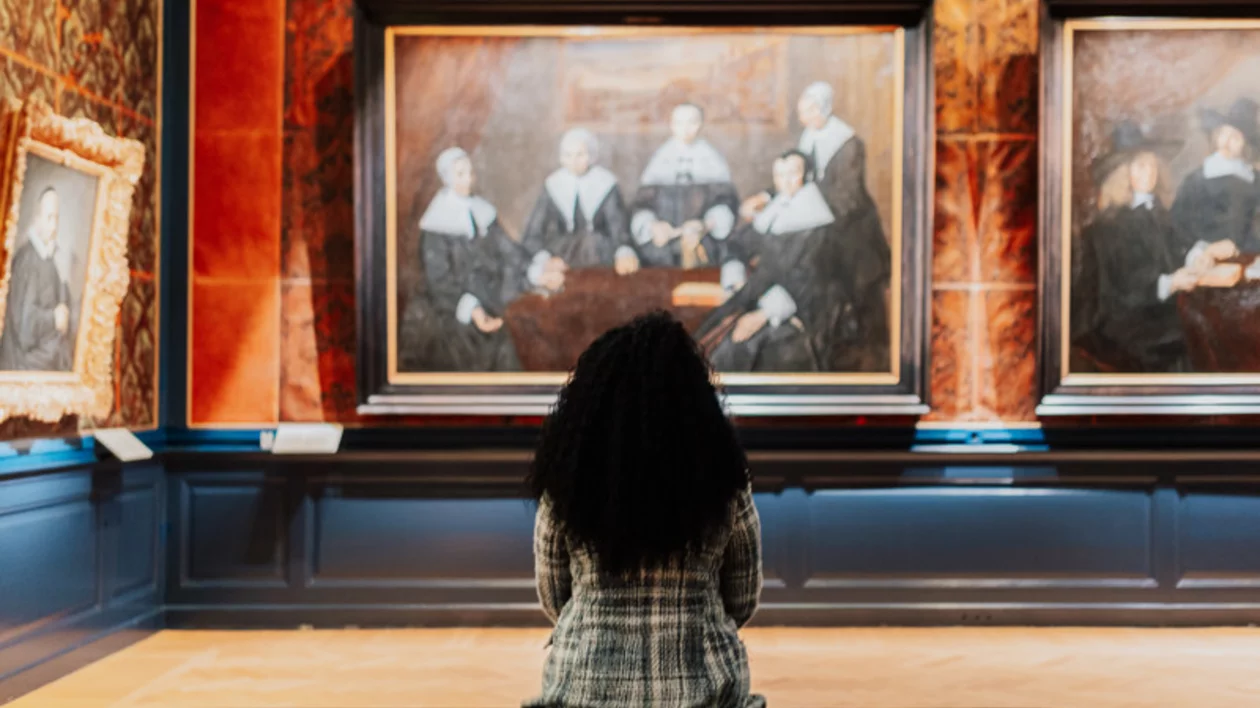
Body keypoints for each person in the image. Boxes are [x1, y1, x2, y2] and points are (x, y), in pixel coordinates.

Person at [523, 311, 764, 708]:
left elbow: (554, 596)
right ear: (696, 403)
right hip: (705, 692)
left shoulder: (565, 482)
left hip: (582, 690)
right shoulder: (725, 483)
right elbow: (742, 599)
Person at [738, 81, 891, 370]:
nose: (803, 117)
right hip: (824, 232)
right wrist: (767, 196)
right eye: (801, 111)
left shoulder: (848, 144)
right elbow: (795, 175)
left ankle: (871, 371)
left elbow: (846, 199)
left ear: (824, 110)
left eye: (808, 111)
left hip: (853, 238)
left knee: (861, 315)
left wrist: (801, 214)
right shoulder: (809, 136)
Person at [700, 150, 878, 372]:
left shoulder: (819, 222)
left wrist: (765, 314)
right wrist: (735, 276)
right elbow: (737, 245)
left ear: (808, 176)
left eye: (793, 173)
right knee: (708, 341)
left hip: (802, 308)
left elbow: (815, 282)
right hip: (760, 294)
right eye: (779, 174)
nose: (785, 181)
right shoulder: (775, 209)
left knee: (744, 348)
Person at [416, 147, 559, 371]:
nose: (468, 180)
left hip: (494, 292)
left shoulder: (482, 210)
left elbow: (509, 250)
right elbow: (438, 280)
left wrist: (537, 272)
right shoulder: (435, 223)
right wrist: (472, 309)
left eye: (470, 173)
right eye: (460, 174)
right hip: (453, 305)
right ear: (447, 178)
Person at [1071, 121, 1196, 373]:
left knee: (1203, 326)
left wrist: (1199, 254)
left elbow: (1178, 245)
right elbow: (1127, 289)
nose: (1149, 172)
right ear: (1121, 172)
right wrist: (1172, 282)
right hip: (1123, 322)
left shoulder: (1156, 211)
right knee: (1189, 338)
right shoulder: (1110, 226)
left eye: (1152, 165)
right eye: (1140, 165)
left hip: (1158, 310)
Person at [629, 104, 741, 271]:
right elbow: (642, 205)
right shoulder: (660, 159)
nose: (686, 129)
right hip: (662, 239)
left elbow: (725, 203)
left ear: (701, 124)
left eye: (692, 122)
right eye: (679, 123)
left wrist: (706, 225)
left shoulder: (712, 160)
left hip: (703, 238)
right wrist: (653, 226)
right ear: (672, 125)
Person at [521, 128, 640, 274]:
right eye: (568, 155)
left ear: (591, 156)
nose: (574, 161)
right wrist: (545, 259)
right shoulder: (553, 184)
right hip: (562, 253)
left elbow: (619, 228)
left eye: (580, 155)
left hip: (600, 252)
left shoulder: (606, 183)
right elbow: (533, 232)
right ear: (561, 157)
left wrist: (623, 252)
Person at [1170, 97, 1260, 256]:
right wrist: (1202, 248)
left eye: (1235, 137)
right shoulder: (1196, 180)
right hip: (1207, 256)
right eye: (1223, 135)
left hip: (1249, 254)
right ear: (1215, 138)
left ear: (1244, 144)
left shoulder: (1253, 178)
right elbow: (1179, 224)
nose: (1227, 142)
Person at [0, 186, 73, 371]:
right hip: (21, 366)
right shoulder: (27, 261)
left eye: (56, 218)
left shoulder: (49, 261)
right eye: (49, 218)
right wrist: (54, 318)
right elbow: (25, 329)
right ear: (37, 219)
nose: (54, 226)